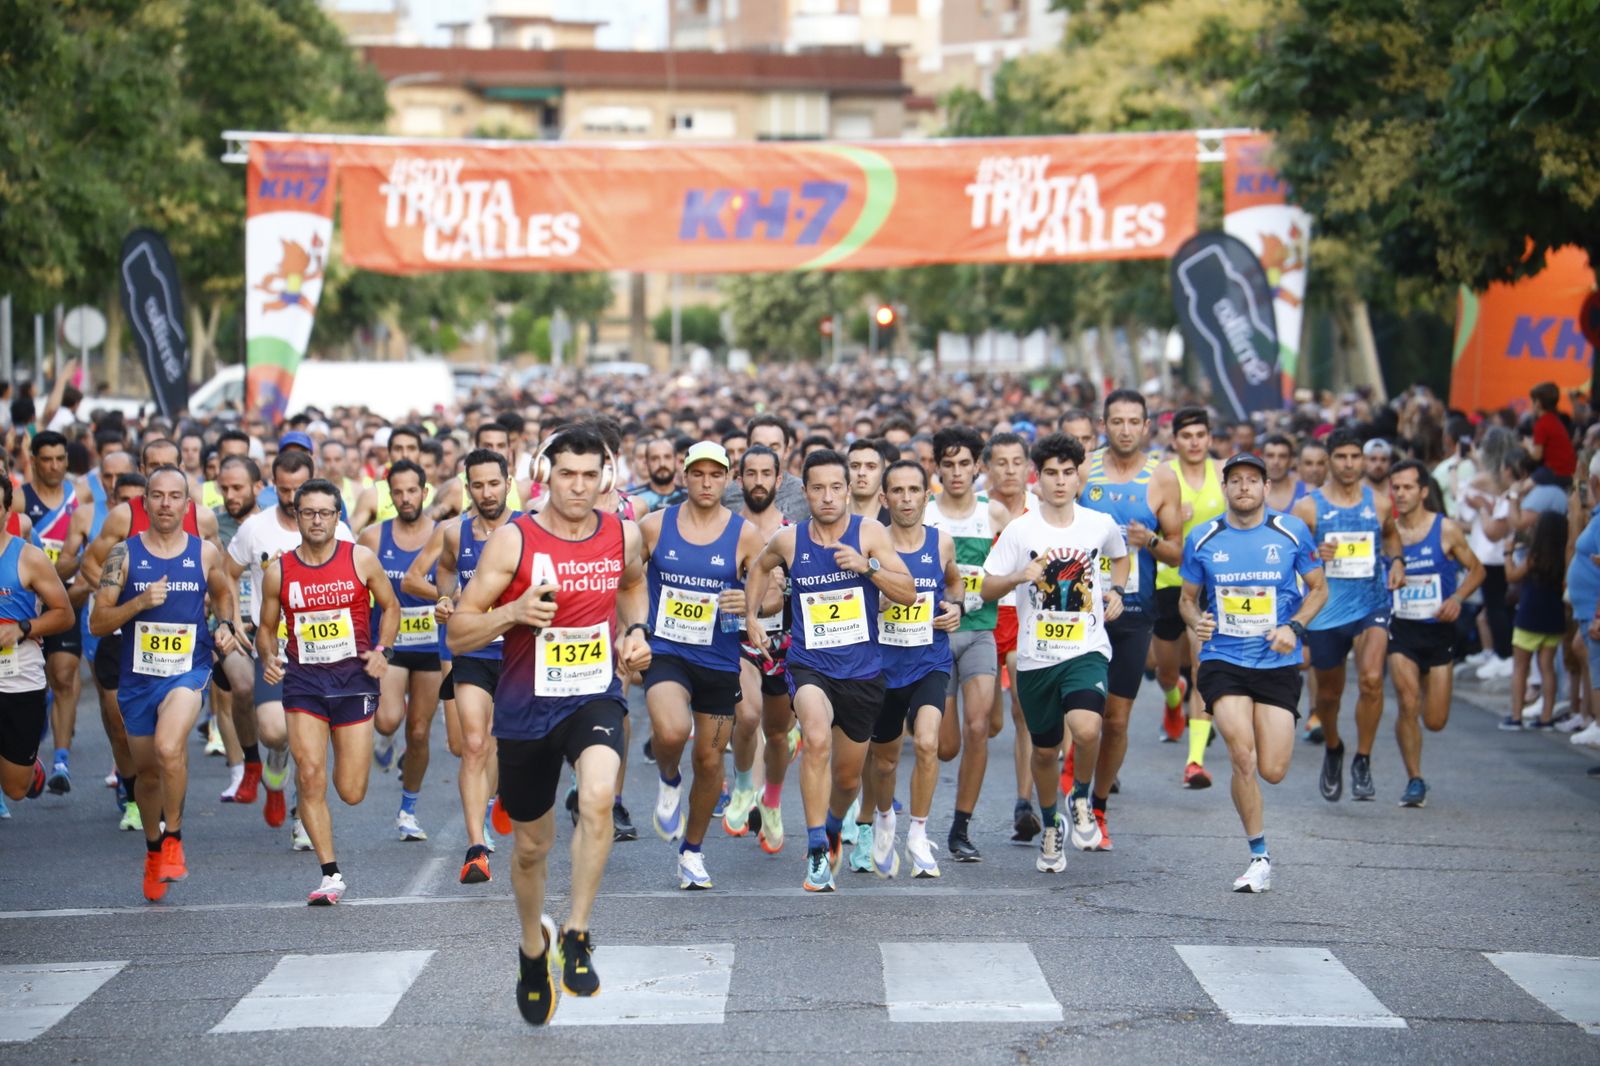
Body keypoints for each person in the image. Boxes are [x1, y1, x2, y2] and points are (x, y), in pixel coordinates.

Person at [448, 423, 652, 1023]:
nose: (579, 487)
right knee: (532, 848)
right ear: (545, 477)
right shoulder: (513, 542)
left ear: (606, 478)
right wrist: (511, 611)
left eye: (590, 476)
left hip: (593, 696)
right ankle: (532, 949)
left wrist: (635, 630)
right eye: (567, 474)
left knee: (598, 797)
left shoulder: (622, 534)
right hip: (526, 706)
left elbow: (633, 586)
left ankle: (577, 932)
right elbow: (458, 631)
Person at [744, 448, 916, 893]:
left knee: (846, 778)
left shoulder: (869, 533)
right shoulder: (789, 540)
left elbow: (908, 592)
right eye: (817, 488)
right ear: (805, 492)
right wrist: (751, 617)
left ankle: (836, 824)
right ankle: (817, 846)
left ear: (848, 490)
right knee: (816, 738)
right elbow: (760, 568)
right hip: (810, 666)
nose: (827, 497)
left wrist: (867, 567)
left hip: (862, 672)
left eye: (835, 487)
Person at [90, 466, 241, 902]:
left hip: (187, 671)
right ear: (145, 502)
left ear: (187, 504)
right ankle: (154, 848)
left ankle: (173, 838)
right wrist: (138, 602)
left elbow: (223, 591)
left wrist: (226, 624)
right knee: (147, 774)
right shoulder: (124, 554)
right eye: (157, 495)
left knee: (169, 747)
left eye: (175, 496)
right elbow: (99, 622)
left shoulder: (205, 552)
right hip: (138, 679)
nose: (166, 504)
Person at [1179, 451, 1327, 893]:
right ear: (1225, 487)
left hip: (1276, 661)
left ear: (1266, 487)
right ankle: (1258, 856)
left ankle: (1258, 837)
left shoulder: (1290, 531)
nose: (1244, 487)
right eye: (1236, 480)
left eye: (1252, 480)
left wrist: (1294, 627)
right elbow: (1187, 599)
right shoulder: (1203, 537)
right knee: (1242, 755)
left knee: (1273, 769)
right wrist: (1196, 621)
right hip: (1223, 660)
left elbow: (1319, 589)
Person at [981, 433, 1126, 875]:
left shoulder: (1099, 523)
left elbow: (1120, 556)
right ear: (1037, 478)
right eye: (1051, 473)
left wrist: (1117, 591)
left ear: (1079, 477)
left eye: (1067, 472)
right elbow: (986, 587)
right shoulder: (1020, 530)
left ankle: (1080, 794)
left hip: (1086, 649)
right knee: (1044, 752)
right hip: (1037, 657)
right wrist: (1017, 577)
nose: (1060, 481)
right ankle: (1050, 824)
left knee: (1086, 728)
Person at [259, 478, 398, 904]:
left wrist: (383, 650)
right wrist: (268, 656)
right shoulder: (279, 571)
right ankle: (330, 874)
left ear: (338, 517)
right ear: (297, 516)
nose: (316, 520)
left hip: (354, 683)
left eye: (324, 513)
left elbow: (391, 606)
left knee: (351, 791)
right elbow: (266, 628)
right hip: (304, 684)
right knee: (310, 774)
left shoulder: (360, 559)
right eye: (308, 512)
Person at [639, 441, 765, 889]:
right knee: (673, 731)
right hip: (667, 652)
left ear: (727, 479)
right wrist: (630, 630)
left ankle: (691, 852)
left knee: (710, 762)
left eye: (715, 475)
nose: (706, 483)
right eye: (698, 474)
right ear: (685, 476)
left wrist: (747, 603)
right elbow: (628, 581)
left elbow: (770, 594)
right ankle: (669, 778)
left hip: (718, 658)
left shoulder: (745, 534)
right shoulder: (654, 526)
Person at [224, 449, 353, 848]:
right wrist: (233, 618)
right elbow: (227, 574)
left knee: (312, 741)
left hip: (326, 651)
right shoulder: (255, 529)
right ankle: (275, 757)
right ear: (273, 486)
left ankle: (302, 814)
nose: (292, 496)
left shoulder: (337, 529)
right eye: (284, 489)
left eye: (299, 488)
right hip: (276, 646)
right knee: (274, 731)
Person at [404, 448, 519, 883]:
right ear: (466, 488)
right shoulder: (454, 533)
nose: (487, 493)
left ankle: (502, 792)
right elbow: (439, 574)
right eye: (478, 485)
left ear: (508, 484)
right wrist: (445, 598)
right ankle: (476, 849)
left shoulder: (527, 529)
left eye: (494, 484)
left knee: (506, 743)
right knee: (472, 743)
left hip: (518, 652)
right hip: (472, 650)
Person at [1292, 429, 1405, 802]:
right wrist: (1314, 554)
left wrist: (1398, 562)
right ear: (1329, 461)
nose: (1349, 464)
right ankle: (1334, 747)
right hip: (1327, 610)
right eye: (1341, 457)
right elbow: (1291, 556)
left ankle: (1363, 759)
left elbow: (1391, 536)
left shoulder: (1380, 503)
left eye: (1355, 456)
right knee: (1328, 694)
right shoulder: (1308, 508)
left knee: (1371, 680)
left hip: (1371, 603)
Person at [862, 460, 961, 878]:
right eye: (898, 491)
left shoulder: (941, 543)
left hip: (929, 662)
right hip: (883, 669)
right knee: (884, 762)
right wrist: (875, 602)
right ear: (884, 498)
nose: (906, 499)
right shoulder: (871, 545)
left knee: (926, 743)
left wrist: (955, 607)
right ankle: (885, 818)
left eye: (914, 490)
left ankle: (918, 833)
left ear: (926, 495)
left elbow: (954, 582)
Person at [1078, 389, 1161, 848]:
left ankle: (1098, 805)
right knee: (1079, 713)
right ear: (1103, 425)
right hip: (1079, 612)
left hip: (1133, 612)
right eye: (1117, 421)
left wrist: (1152, 542)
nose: (1125, 430)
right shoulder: (1082, 470)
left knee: (1116, 721)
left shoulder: (1161, 478)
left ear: (1146, 426)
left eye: (1134, 421)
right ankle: (1070, 788)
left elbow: (1176, 551)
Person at [925, 426, 1013, 859]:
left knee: (979, 727)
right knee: (946, 747)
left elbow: (1016, 563)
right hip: (935, 637)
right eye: (949, 465)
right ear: (937, 468)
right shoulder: (924, 514)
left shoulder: (994, 513)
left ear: (977, 467)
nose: (957, 473)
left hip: (980, 631)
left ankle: (960, 829)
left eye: (965, 464)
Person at [1386, 460, 1484, 805]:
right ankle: (1415, 779)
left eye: (1408, 487)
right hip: (1401, 630)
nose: (1401, 494)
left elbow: (1477, 570)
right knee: (1407, 702)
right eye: (1396, 488)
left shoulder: (1446, 529)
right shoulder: (1388, 534)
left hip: (1439, 631)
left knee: (1436, 720)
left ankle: (1426, 694)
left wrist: (1457, 598)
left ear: (1424, 491)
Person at [360, 459, 443, 841]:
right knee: (387, 720)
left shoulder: (444, 535)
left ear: (424, 492)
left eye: (412, 491)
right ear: (389, 496)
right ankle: (386, 740)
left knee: (420, 732)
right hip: (390, 642)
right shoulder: (373, 538)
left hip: (431, 645)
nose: (406, 498)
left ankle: (408, 810)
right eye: (398, 492)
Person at [1149, 407, 1226, 786]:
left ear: (1209, 438)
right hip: (1168, 582)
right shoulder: (1162, 476)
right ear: (1174, 440)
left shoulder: (1224, 473)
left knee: (1201, 667)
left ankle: (1194, 761)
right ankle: (1173, 697)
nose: (1194, 442)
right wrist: (1170, 519)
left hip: (1210, 585)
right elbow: (1142, 526)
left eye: (1200, 435)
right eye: (1186, 436)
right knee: (1166, 672)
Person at [729, 445, 795, 852]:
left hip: (782, 643)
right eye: (750, 473)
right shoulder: (729, 531)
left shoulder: (791, 533)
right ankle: (741, 787)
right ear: (739, 480)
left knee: (778, 734)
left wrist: (781, 595)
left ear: (778, 479)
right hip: (737, 640)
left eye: (765, 473)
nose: (758, 481)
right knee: (748, 714)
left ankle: (771, 800)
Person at [981, 430, 1044, 854]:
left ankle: (1025, 802)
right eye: (1000, 463)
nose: (1009, 470)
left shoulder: (1042, 511)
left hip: (1025, 617)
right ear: (987, 467)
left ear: (1028, 467)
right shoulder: (975, 508)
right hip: (984, 618)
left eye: (1016, 462)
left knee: (1024, 710)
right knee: (990, 722)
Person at [12, 431, 81, 793]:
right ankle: (27, 750)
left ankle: (61, 761)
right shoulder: (18, 500)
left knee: (64, 675)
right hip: (24, 602)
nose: (54, 466)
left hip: (64, 598)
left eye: (60, 459)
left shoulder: (80, 497)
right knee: (33, 686)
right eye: (46, 459)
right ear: (34, 461)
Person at [0, 474, 74, 809]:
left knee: (16, 788)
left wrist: (23, 628)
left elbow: (64, 614)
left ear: (7, 512)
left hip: (19, 677)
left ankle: (32, 770)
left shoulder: (28, 557)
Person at [1503, 510, 1568, 731]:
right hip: (1554, 617)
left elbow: (1511, 575)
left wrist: (1508, 553)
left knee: (1520, 667)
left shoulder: (1534, 556)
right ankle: (1546, 718)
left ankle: (1516, 716)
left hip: (1529, 617)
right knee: (1547, 668)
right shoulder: (1563, 558)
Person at [1525, 381, 1576, 489]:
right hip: (1567, 473)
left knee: (1522, 488)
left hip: (1554, 472)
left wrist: (1526, 445)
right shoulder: (1554, 420)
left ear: (1538, 403)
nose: (1530, 404)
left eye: (1532, 400)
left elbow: (1536, 456)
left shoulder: (1542, 424)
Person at [627, 436, 686, 515]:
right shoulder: (631, 499)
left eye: (667, 457)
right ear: (647, 463)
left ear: (675, 460)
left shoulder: (690, 497)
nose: (662, 464)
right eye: (655, 458)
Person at [1262, 434, 1306, 513]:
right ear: (1262, 459)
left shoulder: (1306, 491)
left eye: (1282, 456)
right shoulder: (1251, 492)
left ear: (1291, 461)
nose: (1276, 462)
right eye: (1270, 456)